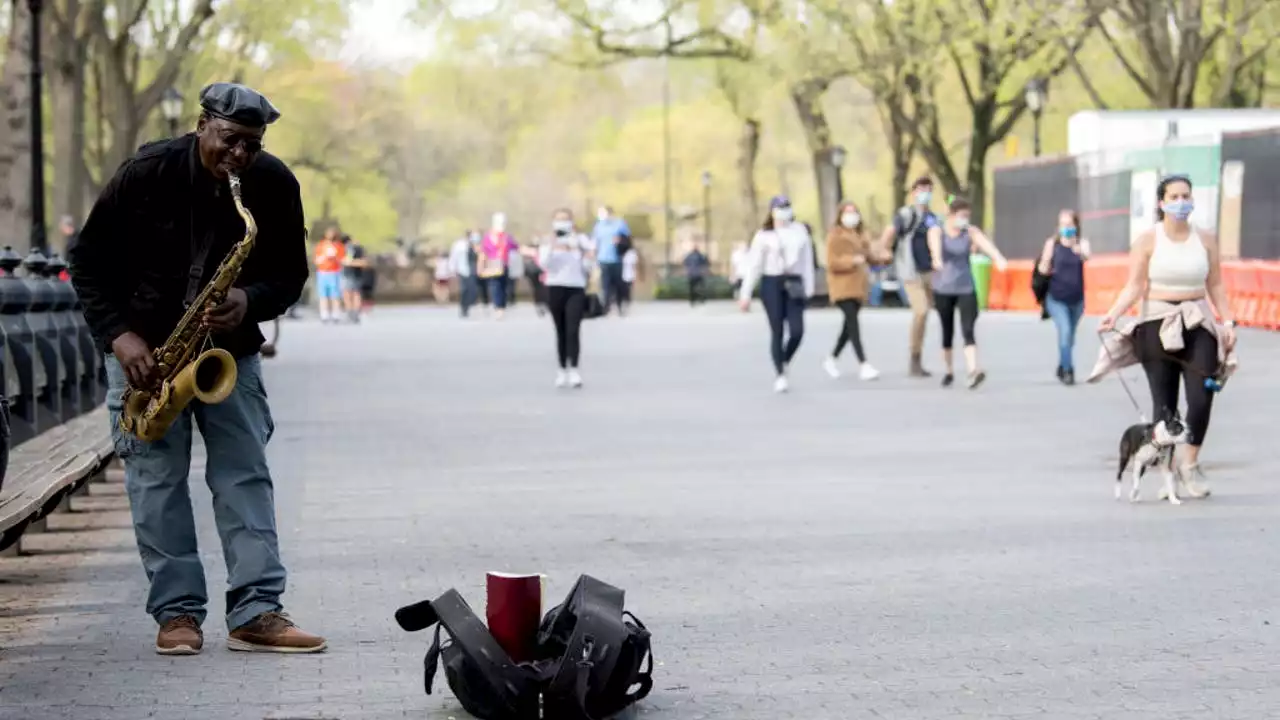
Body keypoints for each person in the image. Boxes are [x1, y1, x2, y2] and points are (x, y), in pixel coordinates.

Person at [66, 82, 325, 656]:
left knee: (244, 477)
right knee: (156, 484)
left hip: (226, 354)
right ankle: (177, 613)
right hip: (147, 359)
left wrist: (250, 301)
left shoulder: (273, 183)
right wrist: (120, 337)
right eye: (230, 140)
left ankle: (257, 610)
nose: (239, 156)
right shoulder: (146, 172)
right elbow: (85, 263)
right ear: (202, 124)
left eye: (251, 146)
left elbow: (289, 275)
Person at [1092, 174, 1239, 500]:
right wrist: (1113, 314)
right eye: (1173, 196)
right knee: (1165, 405)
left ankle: (1190, 462)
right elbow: (1134, 285)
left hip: (1197, 320)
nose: (1181, 202)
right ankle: (1167, 473)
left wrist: (1228, 321)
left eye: (1186, 195)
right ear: (1161, 203)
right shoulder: (1147, 241)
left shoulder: (1206, 239)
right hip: (1156, 321)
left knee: (1202, 396)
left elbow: (1216, 284)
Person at [927, 197, 1008, 389]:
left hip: (965, 287)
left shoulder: (970, 232)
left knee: (968, 328)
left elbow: (986, 245)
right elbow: (935, 248)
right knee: (947, 331)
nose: (965, 220)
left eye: (967, 216)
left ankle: (973, 370)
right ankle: (948, 370)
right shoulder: (937, 231)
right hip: (943, 288)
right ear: (952, 215)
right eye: (962, 216)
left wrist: (998, 258)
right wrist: (937, 259)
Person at [738, 195, 815, 393]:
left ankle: (785, 359)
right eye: (780, 208)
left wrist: (809, 287)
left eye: (786, 207)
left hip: (794, 281)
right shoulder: (764, 235)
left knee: (797, 331)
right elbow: (753, 265)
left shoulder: (799, 232)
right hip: (772, 282)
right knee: (777, 330)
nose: (783, 212)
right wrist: (745, 294)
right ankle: (780, 373)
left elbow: (807, 261)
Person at [879, 176, 939, 377]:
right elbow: (889, 232)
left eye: (928, 190)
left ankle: (918, 356)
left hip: (928, 271)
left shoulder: (932, 216)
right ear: (913, 192)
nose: (925, 194)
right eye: (921, 189)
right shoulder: (906, 214)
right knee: (921, 311)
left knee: (927, 313)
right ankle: (914, 357)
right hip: (910, 270)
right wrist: (885, 250)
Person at [529, 209, 595, 388]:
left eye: (565, 220)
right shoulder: (548, 241)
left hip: (576, 287)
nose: (562, 224)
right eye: (559, 220)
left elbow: (588, 266)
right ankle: (561, 370)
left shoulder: (581, 240)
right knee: (561, 330)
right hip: (555, 286)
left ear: (572, 222)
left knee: (573, 329)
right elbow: (544, 264)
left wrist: (579, 251)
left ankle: (574, 370)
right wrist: (552, 246)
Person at [823, 201, 883, 381]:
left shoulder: (860, 236)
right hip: (842, 286)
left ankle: (831, 358)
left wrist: (882, 258)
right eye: (848, 213)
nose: (852, 216)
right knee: (853, 324)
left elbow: (870, 258)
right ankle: (863, 364)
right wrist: (851, 261)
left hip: (858, 287)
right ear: (840, 216)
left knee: (848, 328)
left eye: (854, 212)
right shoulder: (835, 236)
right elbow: (832, 262)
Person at [1037, 209, 1091, 385]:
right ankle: (1068, 370)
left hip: (1077, 299)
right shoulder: (1052, 244)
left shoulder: (1082, 243)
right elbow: (1043, 269)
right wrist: (1045, 263)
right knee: (1065, 331)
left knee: (1069, 337)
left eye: (1069, 224)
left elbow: (1087, 257)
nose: (1066, 228)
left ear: (1076, 226)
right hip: (1057, 298)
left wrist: (1077, 249)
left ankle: (1062, 364)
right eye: (1062, 225)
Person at [591, 206, 631, 315]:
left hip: (617, 258)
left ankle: (620, 304)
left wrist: (620, 241)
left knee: (618, 283)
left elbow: (627, 239)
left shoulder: (620, 224)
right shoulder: (598, 226)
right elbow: (595, 242)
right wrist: (593, 256)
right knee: (605, 284)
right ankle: (606, 306)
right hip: (603, 258)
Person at [479, 212, 518, 320]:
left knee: (504, 286)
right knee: (495, 286)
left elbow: (516, 247)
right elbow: (483, 252)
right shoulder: (488, 237)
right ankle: (498, 307)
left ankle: (502, 306)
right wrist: (481, 266)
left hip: (504, 265)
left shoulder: (507, 237)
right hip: (492, 264)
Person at [313, 226, 345, 323]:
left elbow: (342, 260)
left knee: (335, 294)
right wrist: (324, 256)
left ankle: (336, 314)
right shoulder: (321, 245)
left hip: (334, 272)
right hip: (322, 272)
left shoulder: (339, 245)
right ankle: (324, 314)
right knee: (323, 294)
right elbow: (316, 260)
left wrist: (335, 256)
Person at [340, 233, 369, 322]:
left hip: (354, 274)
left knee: (354, 294)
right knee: (348, 294)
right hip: (347, 274)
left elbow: (363, 262)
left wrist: (351, 262)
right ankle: (351, 314)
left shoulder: (358, 249)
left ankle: (354, 314)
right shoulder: (344, 249)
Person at [449, 230, 478, 317]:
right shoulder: (459, 245)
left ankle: (469, 304)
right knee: (464, 290)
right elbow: (454, 257)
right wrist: (452, 269)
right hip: (463, 270)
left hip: (473, 270)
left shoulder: (476, 245)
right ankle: (464, 308)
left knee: (472, 290)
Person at [621, 244, 639, 313]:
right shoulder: (628, 253)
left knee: (627, 289)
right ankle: (625, 301)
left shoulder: (632, 253)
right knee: (626, 289)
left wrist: (635, 274)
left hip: (629, 274)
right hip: (624, 274)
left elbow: (634, 265)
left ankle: (627, 302)